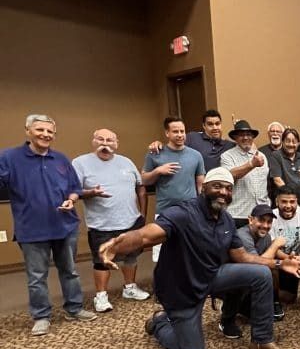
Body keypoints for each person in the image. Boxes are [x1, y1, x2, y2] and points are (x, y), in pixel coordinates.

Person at [99, 168, 300, 349]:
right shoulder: (183, 213)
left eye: (228, 188)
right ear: (204, 187)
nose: (223, 192)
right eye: (217, 186)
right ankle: (160, 321)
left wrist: (279, 263)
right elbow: (146, 236)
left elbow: (243, 257)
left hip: (212, 275)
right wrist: (118, 244)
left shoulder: (226, 220)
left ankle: (261, 340)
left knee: (261, 274)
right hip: (182, 287)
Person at [0, 114, 96, 335]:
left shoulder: (61, 159)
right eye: (40, 130)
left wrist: (71, 199)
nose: (45, 135)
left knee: (70, 270)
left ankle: (74, 308)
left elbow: (74, 188)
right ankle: (41, 316)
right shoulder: (9, 158)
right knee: (36, 277)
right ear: (28, 131)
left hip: (65, 226)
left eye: (49, 132)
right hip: (31, 228)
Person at [72, 128, 150, 313]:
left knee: (131, 256)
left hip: (131, 221)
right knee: (102, 260)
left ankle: (129, 288)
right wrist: (91, 192)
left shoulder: (126, 162)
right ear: (94, 141)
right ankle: (101, 296)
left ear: (116, 144)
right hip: (102, 224)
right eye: (101, 139)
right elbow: (72, 190)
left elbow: (140, 188)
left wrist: (143, 214)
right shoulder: (80, 163)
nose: (105, 144)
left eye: (109, 140)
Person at [218, 204, 287, 339]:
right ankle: (227, 319)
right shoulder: (242, 236)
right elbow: (258, 266)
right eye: (261, 220)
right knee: (263, 271)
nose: (266, 225)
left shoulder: (264, 235)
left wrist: (289, 258)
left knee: (274, 270)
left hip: (250, 282)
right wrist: (275, 244)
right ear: (250, 220)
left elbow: (272, 253)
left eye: (269, 222)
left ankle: (263, 304)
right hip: (227, 281)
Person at [142, 116, 205, 262]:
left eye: (182, 131)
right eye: (175, 131)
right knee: (162, 256)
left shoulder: (195, 155)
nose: (180, 135)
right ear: (167, 133)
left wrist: (202, 208)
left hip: (190, 211)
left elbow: (201, 184)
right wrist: (158, 171)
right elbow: (144, 180)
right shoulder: (156, 153)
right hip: (165, 211)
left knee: (190, 252)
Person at [270, 185, 300, 307]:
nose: (288, 206)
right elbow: (273, 248)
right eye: (284, 201)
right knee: (272, 270)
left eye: (292, 202)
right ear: (277, 202)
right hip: (278, 261)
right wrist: (287, 259)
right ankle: (270, 298)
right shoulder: (271, 216)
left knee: (289, 298)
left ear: (297, 202)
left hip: (296, 260)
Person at [146, 109, 235, 172]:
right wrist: (159, 144)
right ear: (204, 126)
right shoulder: (193, 137)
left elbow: (244, 148)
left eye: (217, 124)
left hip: (221, 190)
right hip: (197, 190)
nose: (215, 127)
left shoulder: (229, 145)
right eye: (210, 124)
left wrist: (239, 131)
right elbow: (174, 144)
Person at [219, 120, 268, 228]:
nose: (245, 138)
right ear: (235, 138)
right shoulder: (227, 156)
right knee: (239, 244)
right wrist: (251, 164)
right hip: (238, 213)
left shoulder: (262, 156)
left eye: (248, 135)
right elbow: (229, 176)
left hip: (261, 213)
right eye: (241, 135)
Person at [269, 127, 300, 208]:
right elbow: (277, 180)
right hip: (285, 201)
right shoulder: (276, 155)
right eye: (288, 141)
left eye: (294, 141)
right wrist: (291, 198)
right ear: (282, 142)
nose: (291, 144)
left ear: (298, 143)